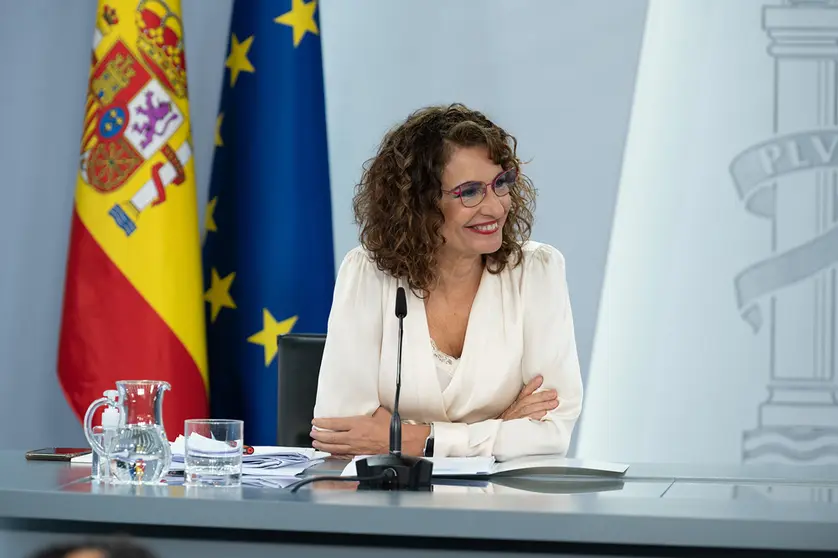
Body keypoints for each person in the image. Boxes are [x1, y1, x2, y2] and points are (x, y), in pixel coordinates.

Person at [311, 103, 583, 461]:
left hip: (503, 507)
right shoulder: (368, 273)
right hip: (385, 506)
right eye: (470, 192)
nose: (496, 207)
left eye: (501, 183)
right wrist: (499, 428)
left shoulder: (537, 271)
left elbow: (551, 434)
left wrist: (413, 440)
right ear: (418, 204)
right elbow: (339, 430)